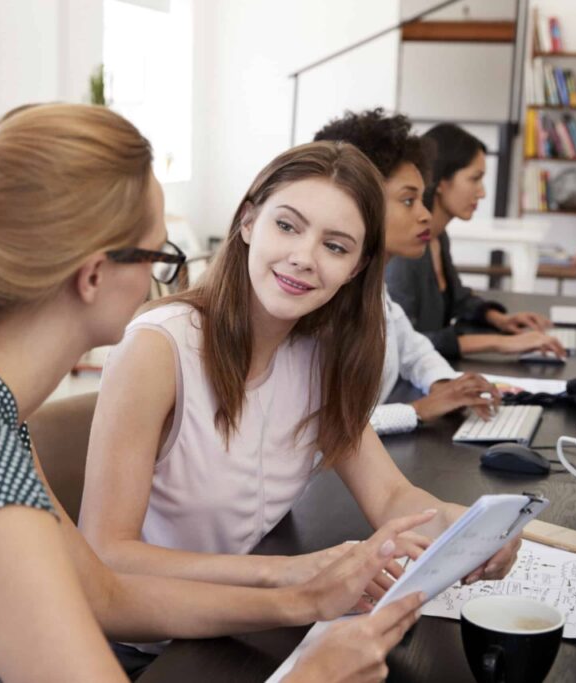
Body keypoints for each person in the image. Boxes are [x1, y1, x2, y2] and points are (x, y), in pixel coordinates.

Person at [0, 104, 428, 682]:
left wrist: (301, 594)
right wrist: (310, 671)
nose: (164, 285)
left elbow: (103, 592)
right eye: (158, 258)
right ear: (95, 273)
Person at [79, 140, 521, 663]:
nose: (303, 258)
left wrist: (465, 528)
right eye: (287, 226)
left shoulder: (321, 353)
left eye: (336, 246)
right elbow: (107, 556)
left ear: (357, 268)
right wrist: (288, 575)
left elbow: (391, 499)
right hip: (144, 649)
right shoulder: (159, 347)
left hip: (241, 629)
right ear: (248, 222)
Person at [315, 108, 500, 433]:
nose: (426, 215)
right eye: (407, 201)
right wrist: (416, 410)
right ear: (359, 203)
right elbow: (321, 429)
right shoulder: (323, 301)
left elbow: (413, 347)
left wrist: (442, 383)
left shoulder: (370, 285)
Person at [385, 123, 565, 360]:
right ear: (441, 182)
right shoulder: (405, 253)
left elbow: (458, 298)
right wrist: (501, 343)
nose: (482, 193)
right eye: (474, 179)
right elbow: (405, 343)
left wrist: (500, 320)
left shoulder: (438, 237)